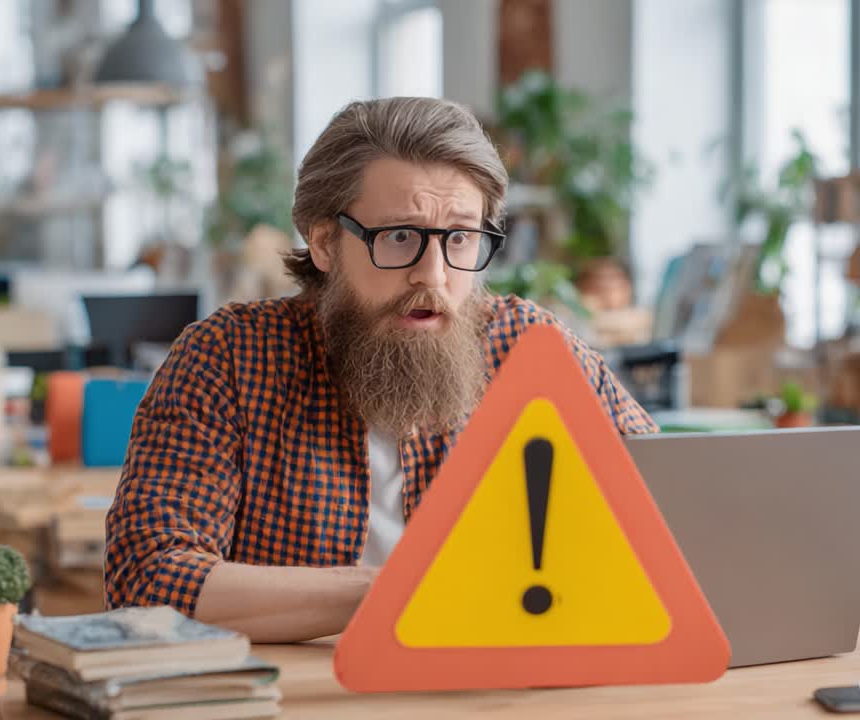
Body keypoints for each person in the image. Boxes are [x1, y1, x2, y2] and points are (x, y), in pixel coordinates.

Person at [105, 97, 657, 642]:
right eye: (399, 236)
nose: (433, 276)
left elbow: (668, 531)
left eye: (460, 237)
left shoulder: (534, 352)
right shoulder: (227, 357)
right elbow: (147, 580)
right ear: (325, 243)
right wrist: (399, 591)